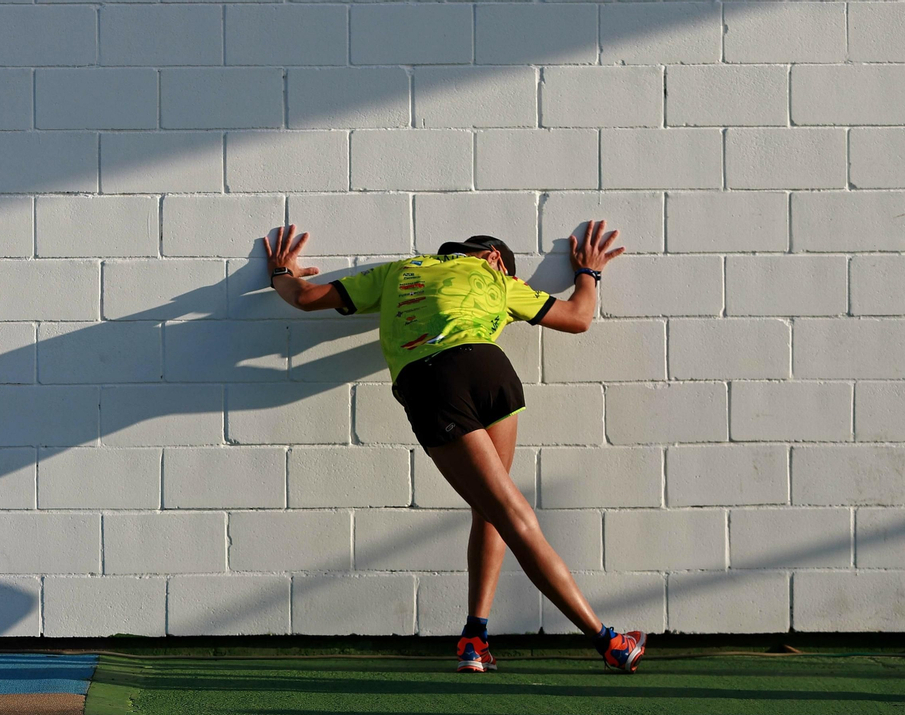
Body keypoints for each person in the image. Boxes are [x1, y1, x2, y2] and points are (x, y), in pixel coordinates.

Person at [261, 221, 646, 674]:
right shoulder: (500, 281)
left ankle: (606, 640)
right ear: (495, 259)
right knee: (495, 509)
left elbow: (305, 298)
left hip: (431, 382)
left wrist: (280, 274)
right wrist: (589, 273)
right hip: (490, 370)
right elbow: (579, 317)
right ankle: (474, 637)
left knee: (507, 511)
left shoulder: (402, 270)